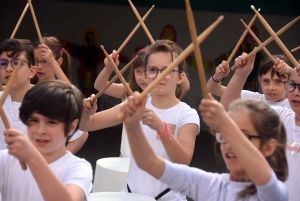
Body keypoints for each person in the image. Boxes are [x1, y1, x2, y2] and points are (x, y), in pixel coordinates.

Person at [121, 91, 287, 201]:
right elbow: (149, 163)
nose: (229, 144)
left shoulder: (274, 193)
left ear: (268, 147)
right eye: (225, 136)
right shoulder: (211, 184)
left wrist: (225, 125)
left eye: (243, 136)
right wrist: (132, 124)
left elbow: (264, 177)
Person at [219, 52, 299, 201]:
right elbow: (228, 109)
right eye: (293, 86)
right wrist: (240, 75)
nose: (296, 93)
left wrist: (290, 72)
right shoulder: (281, 115)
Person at [94, 42, 190, 158]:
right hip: (125, 161)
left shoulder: (162, 95)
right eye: (138, 71)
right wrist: (108, 68)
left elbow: (185, 86)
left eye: (151, 70)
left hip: (154, 166)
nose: (143, 77)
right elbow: (100, 86)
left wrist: (172, 63)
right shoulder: (127, 90)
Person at [0, 80, 93, 201]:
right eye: (34, 120)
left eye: (51, 122)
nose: (40, 131)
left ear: (71, 127)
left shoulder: (78, 168)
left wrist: (32, 158)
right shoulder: (8, 159)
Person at [33, 36, 89, 154]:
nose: (39, 66)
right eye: (36, 61)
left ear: (58, 62)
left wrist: (60, 159)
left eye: (45, 61)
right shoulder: (26, 89)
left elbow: (82, 133)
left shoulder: (66, 91)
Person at [207, 54, 292, 108]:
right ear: (260, 80)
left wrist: (292, 72)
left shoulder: (294, 106)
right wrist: (218, 76)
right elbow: (212, 89)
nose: (271, 87)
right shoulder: (252, 99)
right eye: (266, 81)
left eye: (278, 82)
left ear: (290, 83)